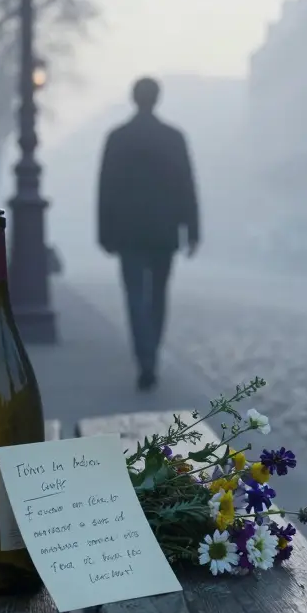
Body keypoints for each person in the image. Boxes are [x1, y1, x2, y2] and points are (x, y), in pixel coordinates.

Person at [96, 77, 201, 391]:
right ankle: (151, 351)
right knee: (157, 296)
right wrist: (192, 229)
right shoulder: (173, 138)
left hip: (128, 231)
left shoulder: (117, 137)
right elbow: (187, 186)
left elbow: (106, 188)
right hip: (163, 230)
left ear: (133, 98)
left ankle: (145, 357)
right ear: (157, 98)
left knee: (134, 296)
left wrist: (104, 230)